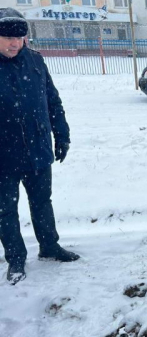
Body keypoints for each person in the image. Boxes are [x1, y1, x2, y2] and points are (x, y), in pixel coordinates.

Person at [0, 8, 80, 285]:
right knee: (6, 211)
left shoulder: (35, 61)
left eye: (20, 37)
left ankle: (49, 246)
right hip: (3, 156)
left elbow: (52, 102)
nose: (15, 43)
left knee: (42, 202)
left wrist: (63, 135)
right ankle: (16, 259)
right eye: (8, 37)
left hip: (37, 149)